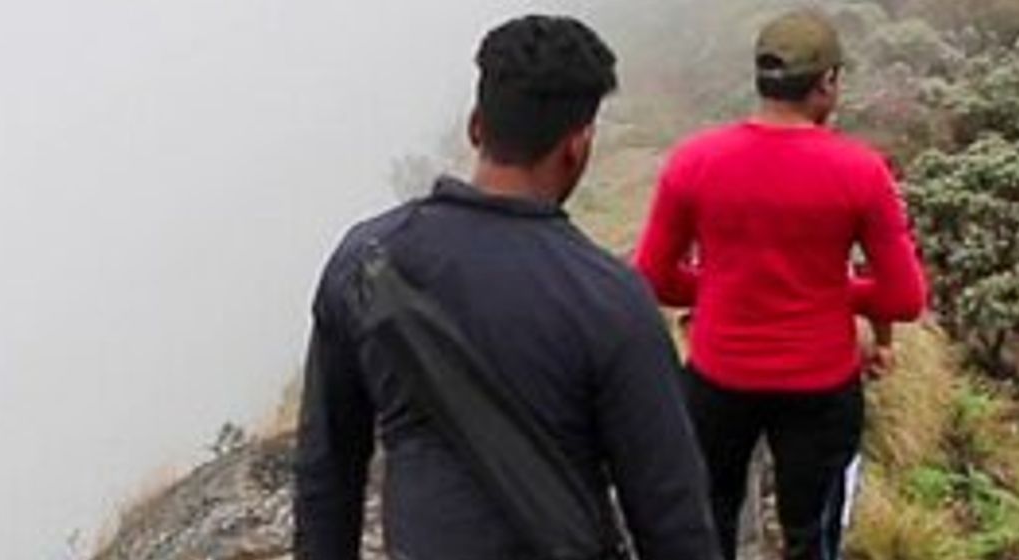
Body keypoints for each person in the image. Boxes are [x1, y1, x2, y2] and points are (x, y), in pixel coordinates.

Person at [294, 15, 718, 560]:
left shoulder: (364, 263)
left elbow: (326, 472)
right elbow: (672, 515)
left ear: (476, 127)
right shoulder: (612, 300)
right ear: (577, 146)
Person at [630, 10, 929, 560]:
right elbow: (904, 298)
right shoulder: (862, 172)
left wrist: (726, 287)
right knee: (810, 532)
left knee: (711, 517)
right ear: (828, 82)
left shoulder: (694, 161)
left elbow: (652, 275)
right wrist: (827, 292)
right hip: (821, 386)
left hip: (717, 380)